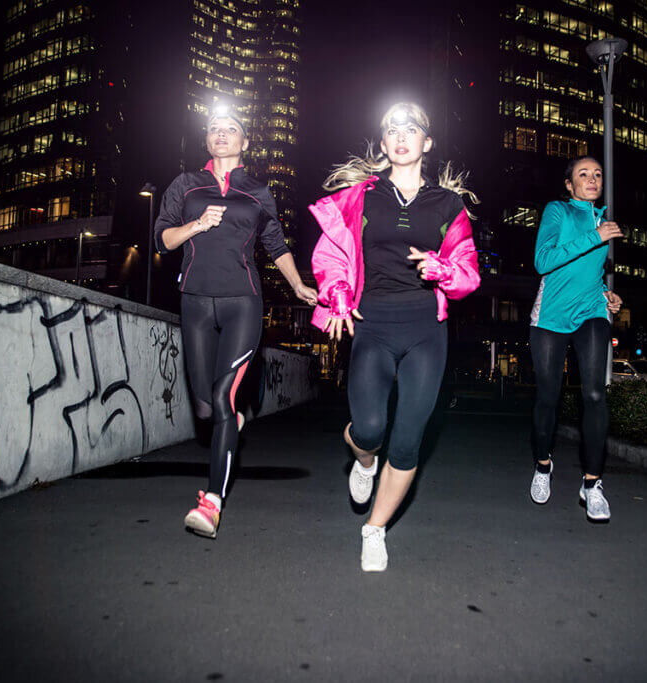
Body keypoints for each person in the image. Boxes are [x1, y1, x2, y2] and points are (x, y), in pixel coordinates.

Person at [310, 103, 480, 571]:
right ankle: (363, 461)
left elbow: (468, 275)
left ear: (427, 144)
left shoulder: (448, 205)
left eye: (412, 130)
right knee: (368, 430)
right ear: (383, 146)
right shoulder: (361, 196)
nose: (401, 136)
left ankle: (375, 529)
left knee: (407, 441)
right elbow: (330, 255)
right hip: (372, 324)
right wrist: (338, 291)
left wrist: (442, 268)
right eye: (391, 131)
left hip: (427, 328)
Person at [154, 107, 318, 538]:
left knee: (223, 397)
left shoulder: (258, 191)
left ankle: (212, 503)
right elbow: (162, 239)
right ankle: (233, 422)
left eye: (230, 129)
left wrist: (299, 286)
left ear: (245, 142)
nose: (221, 134)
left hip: (242, 301)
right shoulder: (185, 185)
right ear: (206, 140)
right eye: (213, 128)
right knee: (206, 407)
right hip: (194, 302)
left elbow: (275, 244)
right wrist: (195, 224)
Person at [528, 156, 623, 522]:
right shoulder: (558, 211)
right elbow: (543, 261)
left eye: (597, 173)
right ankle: (542, 463)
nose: (593, 178)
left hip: (591, 313)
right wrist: (594, 237)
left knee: (595, 394)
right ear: (569, 184)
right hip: (550, 316)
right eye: (583, 174)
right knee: (548, 397)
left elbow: (590, 272)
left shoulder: (604, 219)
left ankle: (593, 483)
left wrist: (606, 294)